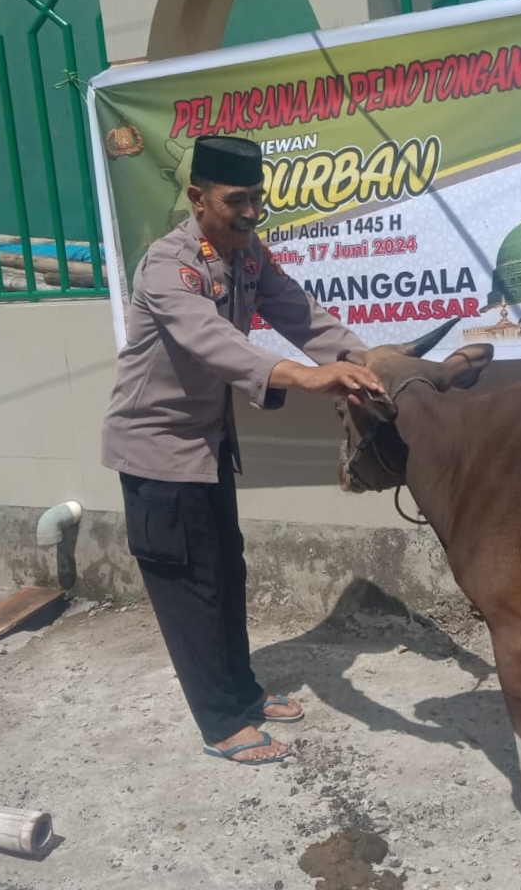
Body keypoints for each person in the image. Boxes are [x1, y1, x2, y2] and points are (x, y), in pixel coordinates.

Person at [102, 135, 383, 765]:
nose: (252, 212)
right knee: (190, 589)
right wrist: (307, 377)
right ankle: (221, 723)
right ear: (198, 198)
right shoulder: (167, 266)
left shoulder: (248, 255)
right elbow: (216, 344)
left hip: (206, 446)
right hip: (156, 452)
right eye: (238, 200)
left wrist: (368, 361)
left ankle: (244, 695)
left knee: (227, 575)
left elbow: (304, 317)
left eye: (259, 199)